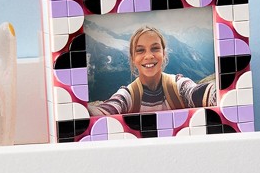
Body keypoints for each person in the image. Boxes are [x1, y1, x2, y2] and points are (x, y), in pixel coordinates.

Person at [88, 26, 216, 116]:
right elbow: (110, 107)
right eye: (140, 50)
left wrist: (217, 92)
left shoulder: (179, 85)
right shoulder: (127, 96)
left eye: (155, 48)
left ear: (164, 54)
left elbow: (196, 92)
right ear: (133, 59)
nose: (149, 56)